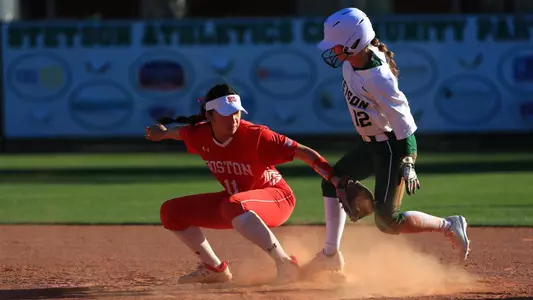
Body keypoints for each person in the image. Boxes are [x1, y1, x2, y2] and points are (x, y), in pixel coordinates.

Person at [302, 7, 471, 278]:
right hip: (372, 144)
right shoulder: (350, 63)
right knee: (332, 181)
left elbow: (405, 124)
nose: (332, 50)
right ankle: (330, 255)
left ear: (355, 42)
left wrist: (409, 161)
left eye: (336, 45)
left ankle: (449, 225)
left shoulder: (378, 77)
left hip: (392, 147)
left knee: (387, 221)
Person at [144, 83, 346, 285]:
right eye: (225, 113)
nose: (233, 119)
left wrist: (334, 179)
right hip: (237, 203)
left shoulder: (257, 135)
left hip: (277, 198)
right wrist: (161, 133)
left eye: (236, 113)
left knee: (233, 204)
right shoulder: (199, 135)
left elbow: (305, 152)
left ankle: (284, 263)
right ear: (210, 116)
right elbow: (180, 131)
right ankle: (214, 268)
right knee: (171, 211)